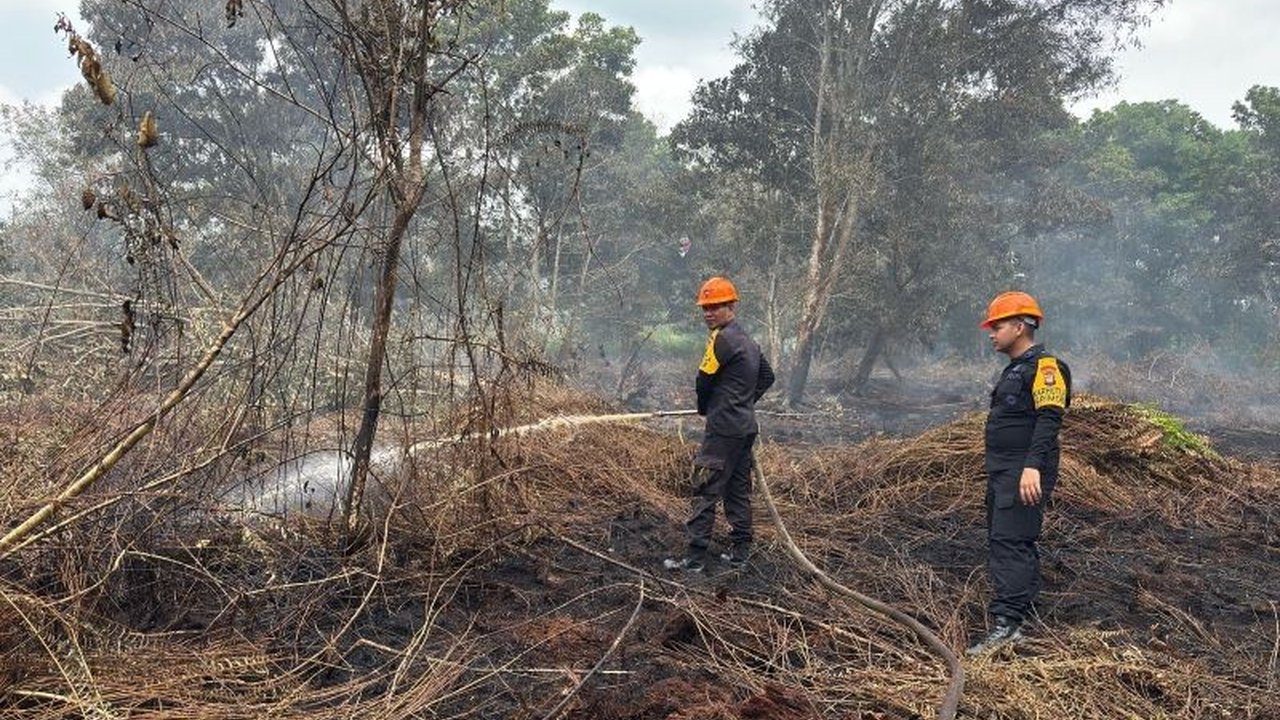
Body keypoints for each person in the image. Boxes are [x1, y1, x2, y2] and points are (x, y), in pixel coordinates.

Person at [967, 291, 1072, 655]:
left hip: (1022, 472)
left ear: (1019, 326)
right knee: (1007, 540)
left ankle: (1007, 626)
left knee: (1011, 543)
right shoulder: (1015, 369)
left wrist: (1031, 468)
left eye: (996, 326)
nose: (991, 333)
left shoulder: (1046, 368)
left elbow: (1049, 421)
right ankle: (1020, 616)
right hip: (1004, 471)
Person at [664, 276, 775, 573]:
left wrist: (708, 407)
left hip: (724, 430)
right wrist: (743, 403)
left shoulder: (720, 339)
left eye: (715, 307)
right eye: (705, 308)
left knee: (705, 490)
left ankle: (694, 559)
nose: (708, 313)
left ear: (731, 306)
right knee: (737, 490)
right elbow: (767, 377)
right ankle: (741, 554)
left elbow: (704, 381)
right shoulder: (748, 341)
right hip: (744, 428)